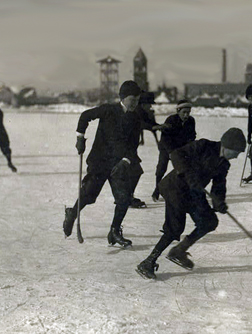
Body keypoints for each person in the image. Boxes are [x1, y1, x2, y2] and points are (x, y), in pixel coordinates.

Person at [136, 128, 247, 279]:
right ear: (227, 146)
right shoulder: (204, 146)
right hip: (175, 188)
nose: (236, 156)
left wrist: (219, 201)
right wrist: (188, 174)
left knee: (209, 221)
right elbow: (176, 154)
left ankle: (178, 251)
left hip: (193, 193)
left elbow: (218, 186)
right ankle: (148, 262)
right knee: (174, 228)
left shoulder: (224, 164)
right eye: (236, 152)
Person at [63, 80, 145, 248]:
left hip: (117, 166)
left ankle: (114, 232)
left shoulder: (136, 118)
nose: (135, 103)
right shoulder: (109, 110)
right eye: (132, 99)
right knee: (89, 194)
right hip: (100, 162)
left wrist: (125, 160)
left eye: (137, 100)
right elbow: (85, 116)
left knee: (123, 199)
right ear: (122, 98)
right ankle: (72, 212)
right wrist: (80, 138)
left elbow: (133, 144)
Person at [151, 99, 197, 201]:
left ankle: (183, 191)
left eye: (188, 112)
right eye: (183, 112)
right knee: (161, 169)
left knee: (183, 168)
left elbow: (192, 135)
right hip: (166, 147)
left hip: (180, 148)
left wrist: (189, 146)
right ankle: (157, 190)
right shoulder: (171, 120)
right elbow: (165, 139)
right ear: (178, 111)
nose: (186, 115)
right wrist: (171, 152)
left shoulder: (191, 121)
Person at [130, 91, 160, 209]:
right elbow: (141, 124)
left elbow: (150, 122)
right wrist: (153, 127)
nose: (151, 107)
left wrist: (159, 126)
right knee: (135, 171)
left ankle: (128, 196)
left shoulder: (143, 111)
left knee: (135, 172)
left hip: (131, 148)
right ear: (142, 104)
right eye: (149, 104)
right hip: (124, 147)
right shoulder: (136, 112)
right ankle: (127, 198)